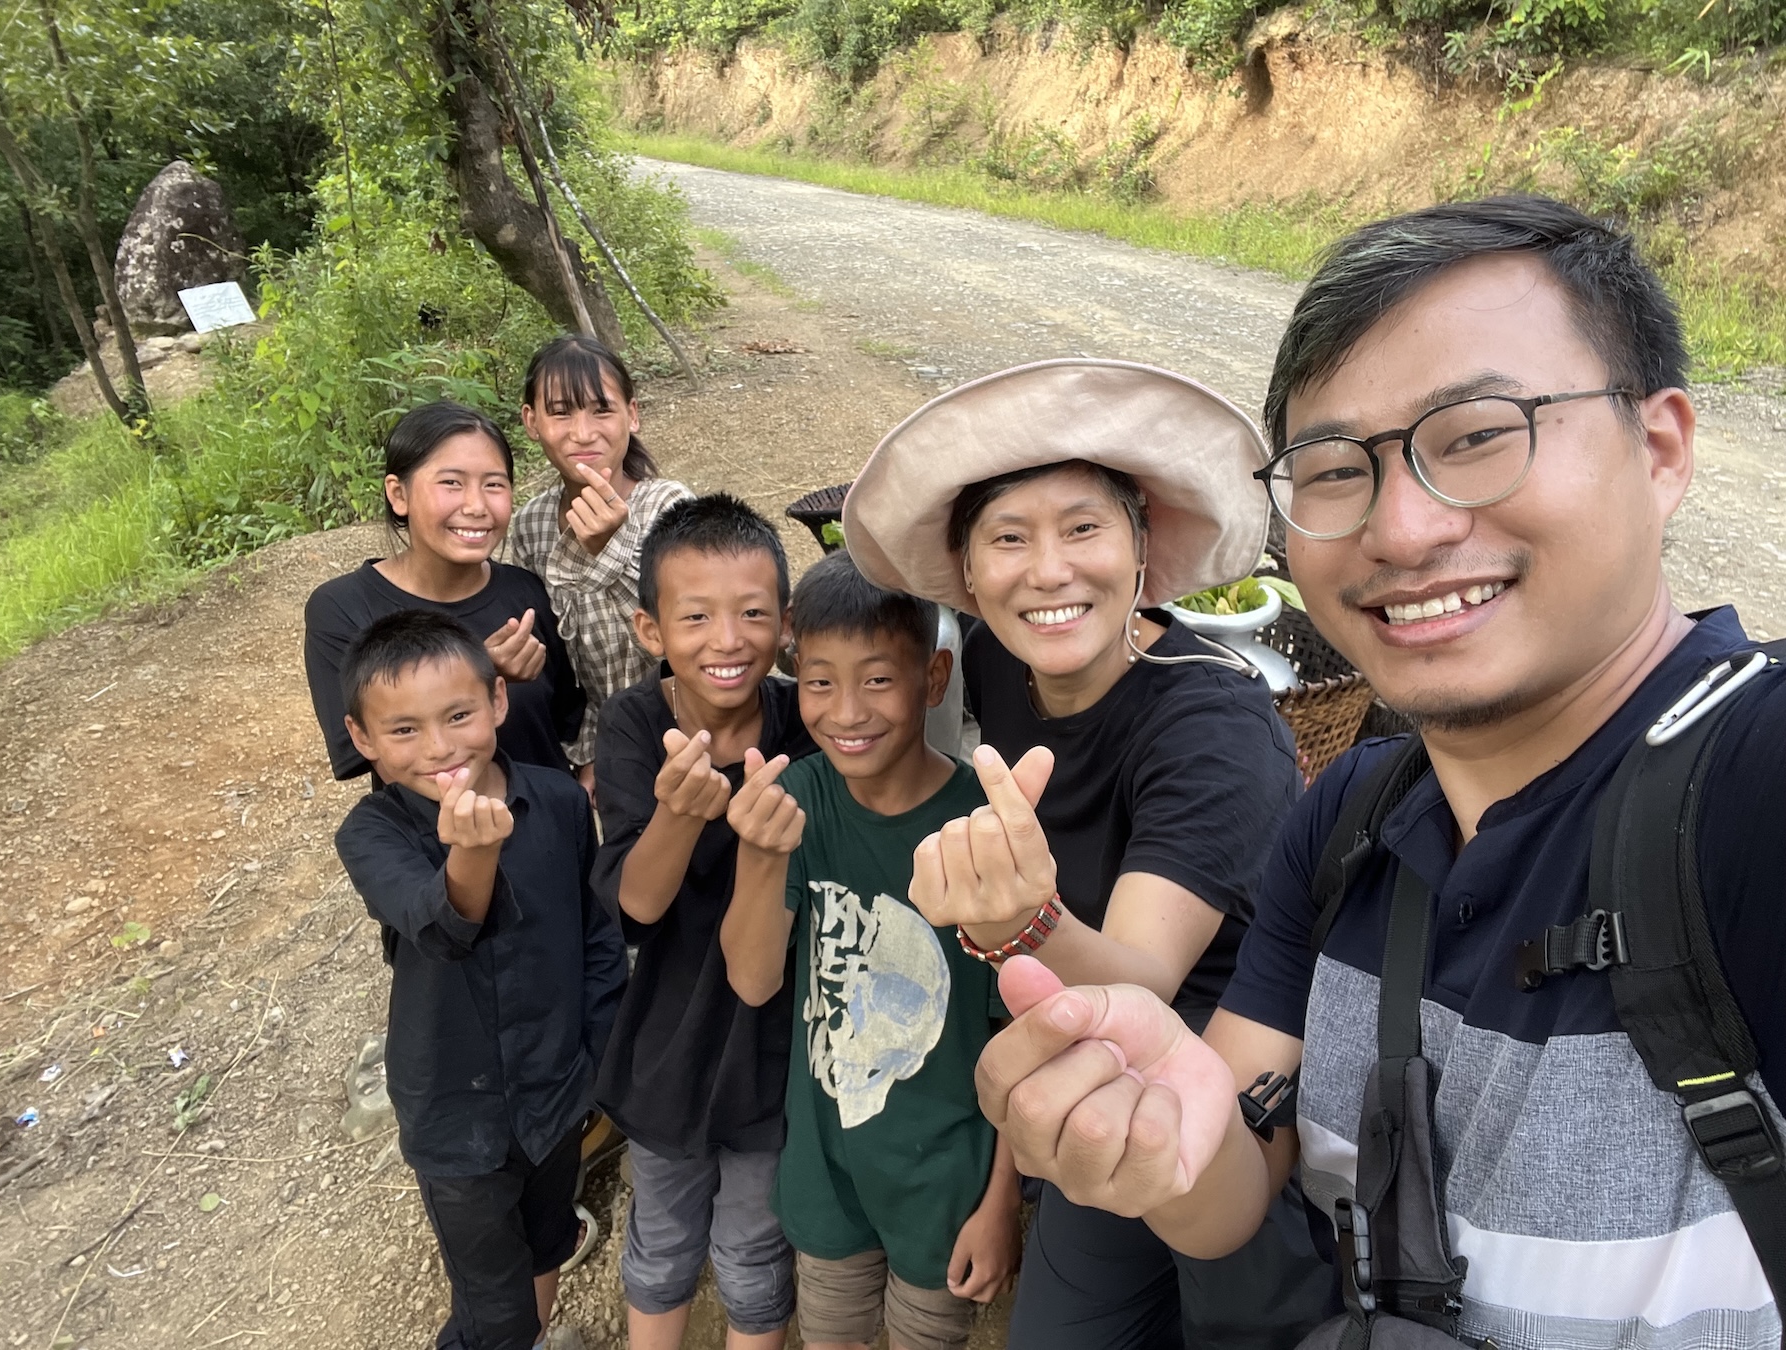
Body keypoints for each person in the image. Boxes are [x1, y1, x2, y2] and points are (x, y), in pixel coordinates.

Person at [972, 197, 1785, 1348]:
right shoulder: (1345, 823)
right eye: (1337, 468)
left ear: (1660, 451)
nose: (1403, 530)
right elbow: (1233, 1184)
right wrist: (1168, 1140)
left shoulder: (1751, 785)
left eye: (1477, 434)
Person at [841, 359, 1338, 1348]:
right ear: (969, 575)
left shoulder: (1212, 723)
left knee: (1223, 1306)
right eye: (1010, 539)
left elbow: (1148, 979)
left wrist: (1023, 921)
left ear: (1141, 547)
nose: (1051, 571)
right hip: (1076, 1030)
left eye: (1084, 528)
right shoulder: (996, 658)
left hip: (1221, 1055)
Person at [721, 550, 1024, 1350]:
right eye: (819, 681)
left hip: (947, 1182)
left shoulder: (980, 829)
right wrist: (757, 854)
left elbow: (1017, 1038)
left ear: (933, 678)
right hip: (829, 1171)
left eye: (878, 680)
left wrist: (1001, 1202)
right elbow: (752, 981)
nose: (846, 711)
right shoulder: (798, 800)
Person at [332, 610, 626, 1350]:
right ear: (362, 740)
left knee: (549, 1242)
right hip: (455, 1118)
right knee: (493, 1311)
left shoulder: (557, 802)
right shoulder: (373, 834)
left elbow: (596, 939)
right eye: (403, 731)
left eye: (458, 714)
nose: (438, 748)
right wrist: (471, 853)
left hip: (557, 1091)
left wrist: (597, 1055)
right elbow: (439, 927)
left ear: (498, 702)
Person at [590, 494, 810, 1350]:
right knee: (664, 1229)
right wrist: (680, 814)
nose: (728, 640)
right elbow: (636, 906)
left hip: (774, 1034)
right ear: (651, 630)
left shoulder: (807, 723)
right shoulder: (636, 724)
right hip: (670, 1036)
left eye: (753, 613)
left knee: (755, 1243)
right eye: (697, 617)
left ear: (785, 624)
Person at [305, 399, 584, 782]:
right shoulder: (344, 608)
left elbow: (568, 722)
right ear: (398, 495)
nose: (476, 505)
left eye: (494, 485)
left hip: (553, 832)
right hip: (435, 840)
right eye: (452, 483)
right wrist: (475, 675)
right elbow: (367, 756)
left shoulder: (526, 593)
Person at [510, 334, 693, 796]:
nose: (583, 432)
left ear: (632, 414)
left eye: (601, 409)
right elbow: (554, 662)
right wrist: (594, 750)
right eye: (560, 412)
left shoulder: (669, 506)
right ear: (531, 421)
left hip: (692, 722)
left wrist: (606, 549)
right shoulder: (530, 525)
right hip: (607, 742)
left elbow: (687, 636)